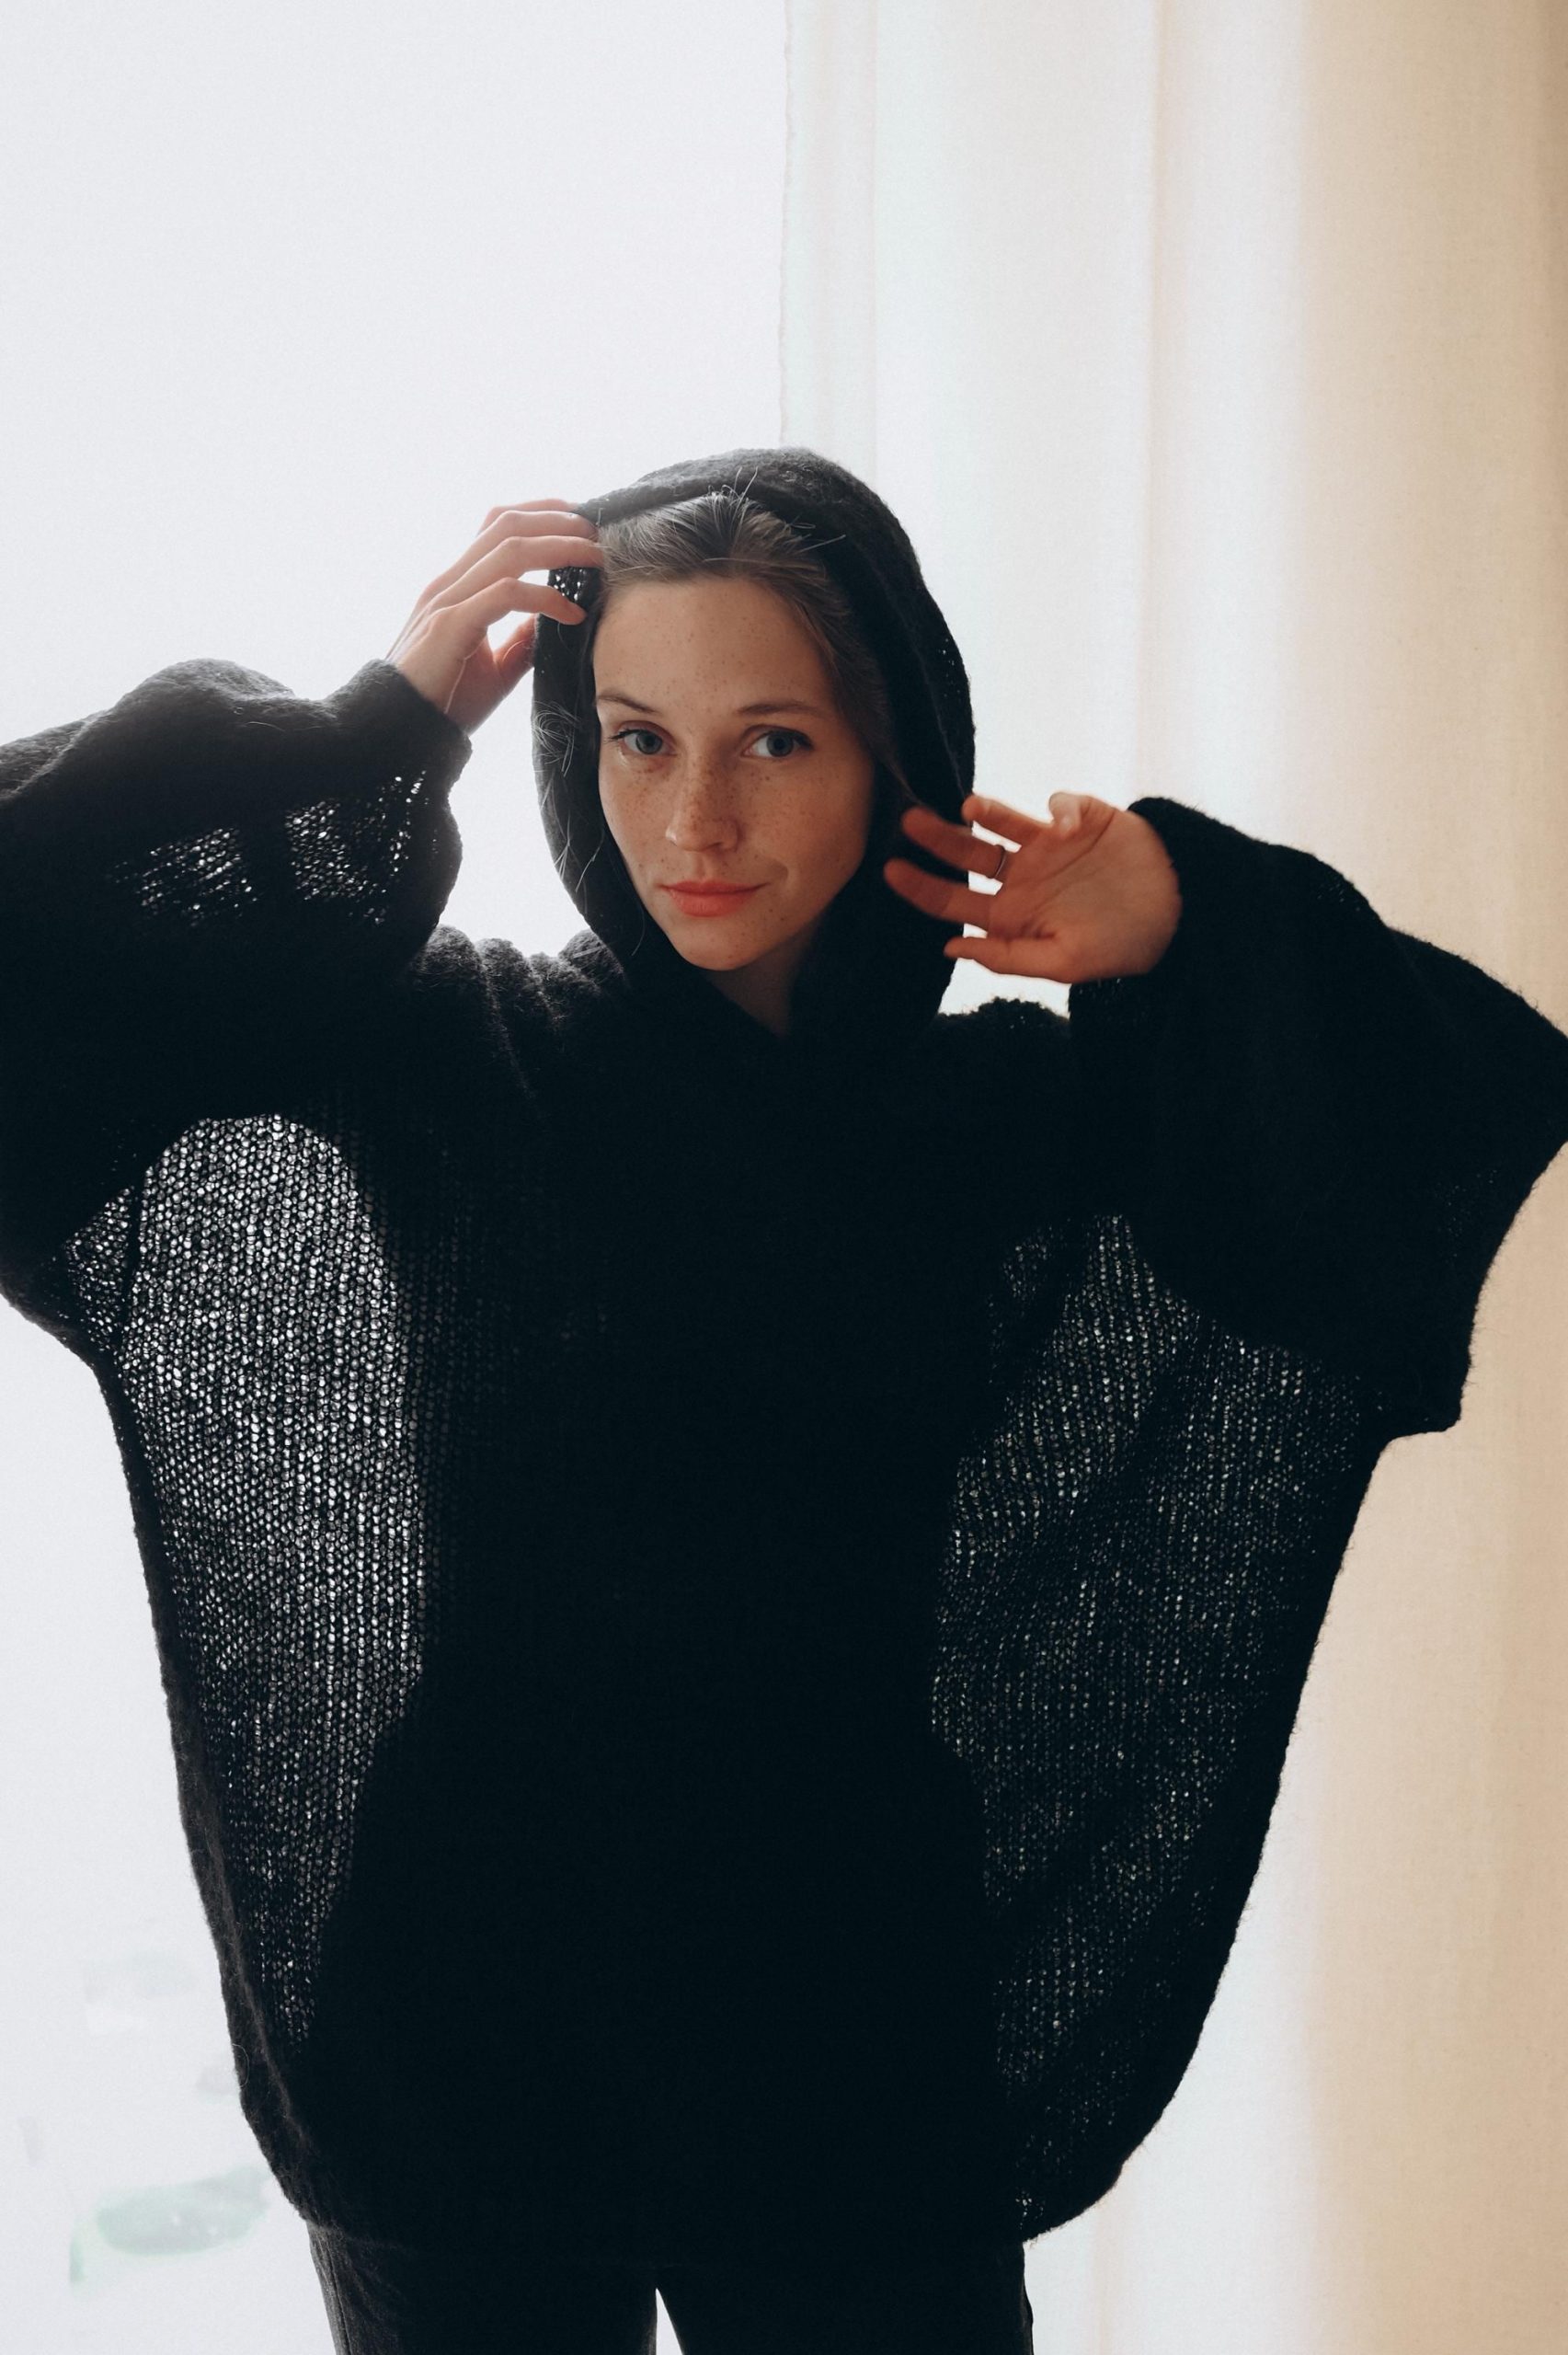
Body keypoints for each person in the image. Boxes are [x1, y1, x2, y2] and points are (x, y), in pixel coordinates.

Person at [2, 447, 1565, 2355]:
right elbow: (42, 990)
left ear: (892, 756)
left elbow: (1433, 1124)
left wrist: (1189, 920)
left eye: (774, 741)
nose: (696, 820)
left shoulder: (995, 1124)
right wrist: (370, 736)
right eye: (637, 738)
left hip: (846, 2001)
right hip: (467, 1993)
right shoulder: (448, 1051)